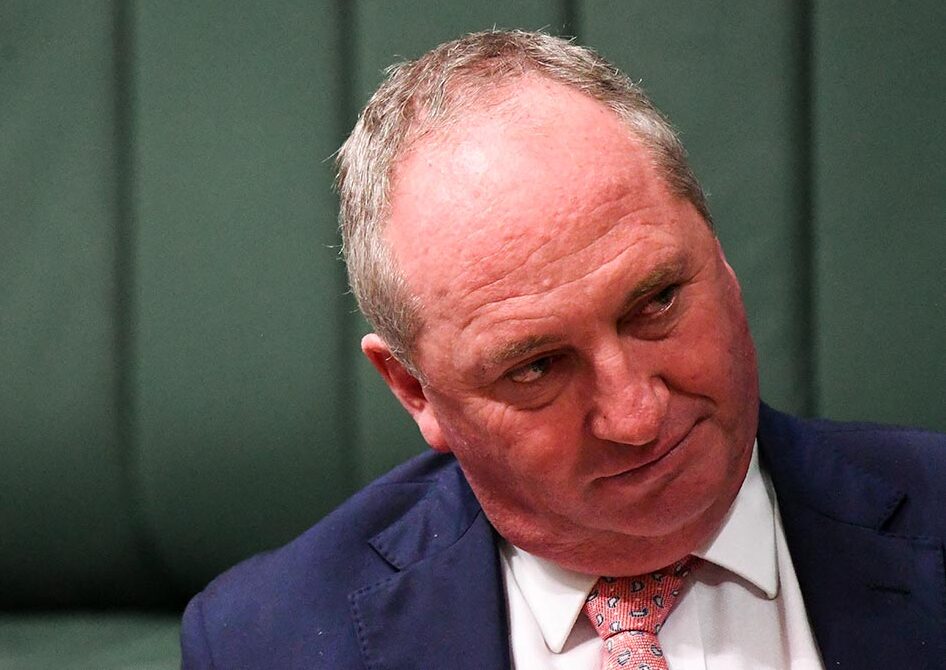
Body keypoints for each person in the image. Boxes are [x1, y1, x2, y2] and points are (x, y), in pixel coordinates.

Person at [180, 30, 946, 669]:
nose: (636, 415)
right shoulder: (268, 642)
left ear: (718, 256)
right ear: (413, 390)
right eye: (537, 366)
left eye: (656, 303)